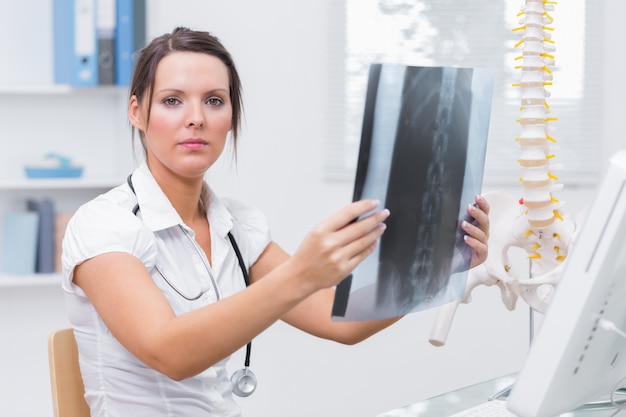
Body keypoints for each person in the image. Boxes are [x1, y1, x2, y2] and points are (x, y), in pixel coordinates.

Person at [61, 27, 490, 417]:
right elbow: (168, 352)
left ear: (231, 117)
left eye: (214, 100)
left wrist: (439, 265)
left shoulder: (237, 227)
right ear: (137, 112)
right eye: (173, 101)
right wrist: (302, 273)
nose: (196, 118)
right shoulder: (103, 225)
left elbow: (337, 321)